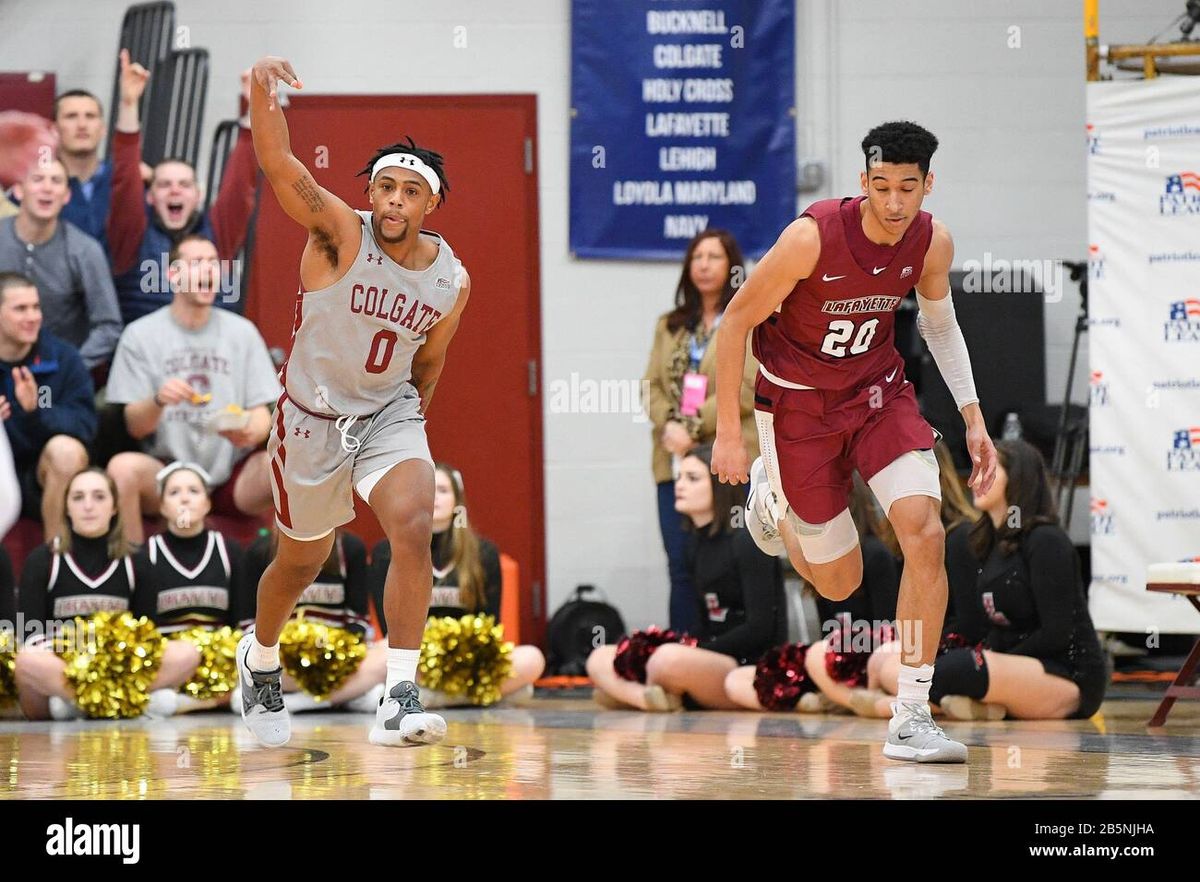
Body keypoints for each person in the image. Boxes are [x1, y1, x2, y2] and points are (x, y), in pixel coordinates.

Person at [712, 120, 997, 763]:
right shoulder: (810, 238)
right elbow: (734, 323)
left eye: (908, 187)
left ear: (928, 185)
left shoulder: (932, 242)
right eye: (882, 186)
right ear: (862, 183)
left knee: (925, 533)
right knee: (840, 584)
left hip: (878, 395)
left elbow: (942, 329)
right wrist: (729, 434)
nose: (895, 202)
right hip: (798, 409)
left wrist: (974, 418)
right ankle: (772, 500)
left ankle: (911, 715)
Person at [235, 55, 471, 749]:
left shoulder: (452, 279)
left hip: (387, 412)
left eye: (409, 192)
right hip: (311, 418)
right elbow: (279, 163)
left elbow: (430, 359)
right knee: (302, 563)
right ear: (371, 194)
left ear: (431, 205)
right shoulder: (338, 232)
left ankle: (399, 694)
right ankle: (261, 658)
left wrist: (409, 431)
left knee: (413, 520)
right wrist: (261, 89)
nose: (393, 200)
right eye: (385, 187)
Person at [867, 439, 1109, 720]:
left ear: (1018, 478)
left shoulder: (1046, 540)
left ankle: (888, 706)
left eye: (988, 470)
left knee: (955, 668)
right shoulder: (989, 544)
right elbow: (987, 624)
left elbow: (1057, 633)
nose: (976, 479)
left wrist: (995, 657)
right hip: (1015, 666)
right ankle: (978, 707)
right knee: (906, 664)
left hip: (1066, 674)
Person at [104, 234, 280, 544]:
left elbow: (263, 411)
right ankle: (134, 574)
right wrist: (158, 400)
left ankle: (287, 577)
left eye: (214, 264)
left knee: (288, 461)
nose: (209, 271)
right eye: (197, 264)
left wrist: (252, 430)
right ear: (173, 275)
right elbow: (135, 426)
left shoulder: (242, 332)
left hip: (230, 474)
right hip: (165, 472)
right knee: (121, 469)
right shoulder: (140, 335)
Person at [587, 444, 784, 710]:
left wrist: (698, 651)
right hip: (703, 658)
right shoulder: (694, 544)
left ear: (719, 485)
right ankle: (649, 699)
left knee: (667, 660)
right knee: (600, 657)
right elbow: (701, 621)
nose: (680, 485)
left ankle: (636, 693)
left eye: (692, 479)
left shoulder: (748, 541)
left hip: (743, 665)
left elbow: (761, 628)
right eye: (679, 477)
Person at [644, 229, 760, 633]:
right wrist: (671, 427)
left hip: (727, 458)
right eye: (697, 257)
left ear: (732, 266)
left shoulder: (748, 317)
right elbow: (651, 387)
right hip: (673, 458)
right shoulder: (669, 325)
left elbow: (746, 388)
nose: (705, 265)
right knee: (680, 562)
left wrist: (691, 427)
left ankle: (735, 653)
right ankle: (681, 655)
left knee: (735, 557)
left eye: (714, 257)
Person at [11, 468, 189, 720]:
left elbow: (149, 634)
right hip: (61, 669)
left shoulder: (137, 562)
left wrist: (112, 664)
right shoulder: (43, 560)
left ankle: (80, 706)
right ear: (66, 508)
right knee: (27, 661)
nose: (88, 506)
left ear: (115, 507)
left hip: (120, 669)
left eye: (99, 497)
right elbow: (30, 633)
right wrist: (79, 668)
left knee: (186, 653)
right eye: (78, 497)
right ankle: (123, 704)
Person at [369, 462, 545, 704]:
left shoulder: (483, 553)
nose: (434, 497)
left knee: (531, 659)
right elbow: (390, 626)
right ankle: (479, 697)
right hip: (415, 658)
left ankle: (431, 699)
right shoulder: (386, 552)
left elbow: (490, 626)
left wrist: (458, 651)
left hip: (467, 661)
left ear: (457, 500)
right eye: (427, 489)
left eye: (442, 490)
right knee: (381, 654)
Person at [106, 51, 258, 323]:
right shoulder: (132, 236)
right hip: (148, 359)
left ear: (198, 196)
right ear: (150, 197)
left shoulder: (216, 235)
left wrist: (252, 111)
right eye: (164, 184)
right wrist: (128, 103)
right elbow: (124, 181)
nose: (175, 190)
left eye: (184, 184)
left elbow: (241, 186)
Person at [134, 462, 249, 714]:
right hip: (172, 660)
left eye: (193, 491)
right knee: (182, 655)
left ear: (208, 503)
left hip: (220, 661)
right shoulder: (146, 555)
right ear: (162, 506)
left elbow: (242, 621)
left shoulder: (230, 552)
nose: (184, 498)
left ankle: (182, 703)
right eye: (174, 492)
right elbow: (143, 627)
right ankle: (217, 700)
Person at [0, 158, 123, 370]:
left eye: (56, 181)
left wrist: (69, 369)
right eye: (38, 179)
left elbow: (109, 326)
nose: (47, 188)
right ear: (18, 191)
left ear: (66, 196)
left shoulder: (85, 250)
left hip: (53, 373)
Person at [0, 273, 96, 539]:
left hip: (40, 478)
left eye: (36, 307)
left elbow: (85, 425)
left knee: (66, 452)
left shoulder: (62, 357)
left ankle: (55, 559)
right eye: (20, 309)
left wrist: (36, 413)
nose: (33, 317)